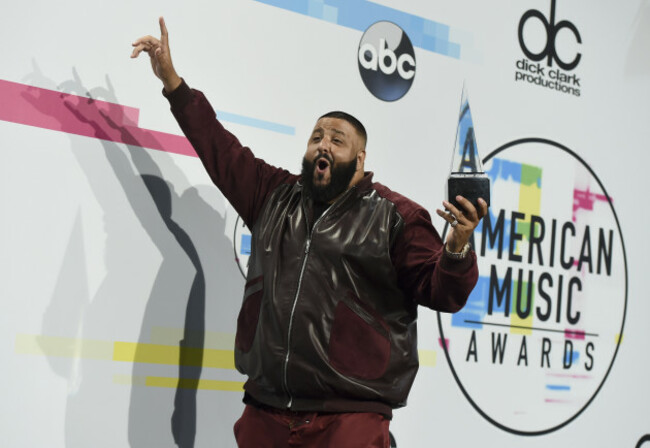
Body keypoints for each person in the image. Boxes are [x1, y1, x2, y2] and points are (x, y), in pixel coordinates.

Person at [132, 17, 488, 448]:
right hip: (265, 410)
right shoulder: (274, 196)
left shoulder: (395, 217)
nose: (323, 144)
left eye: (337, 140)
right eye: (316, 136)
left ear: (359, 160)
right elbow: (219, 148)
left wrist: (457, 248)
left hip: (349, 419)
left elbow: (442, 293)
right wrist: (173, 83)